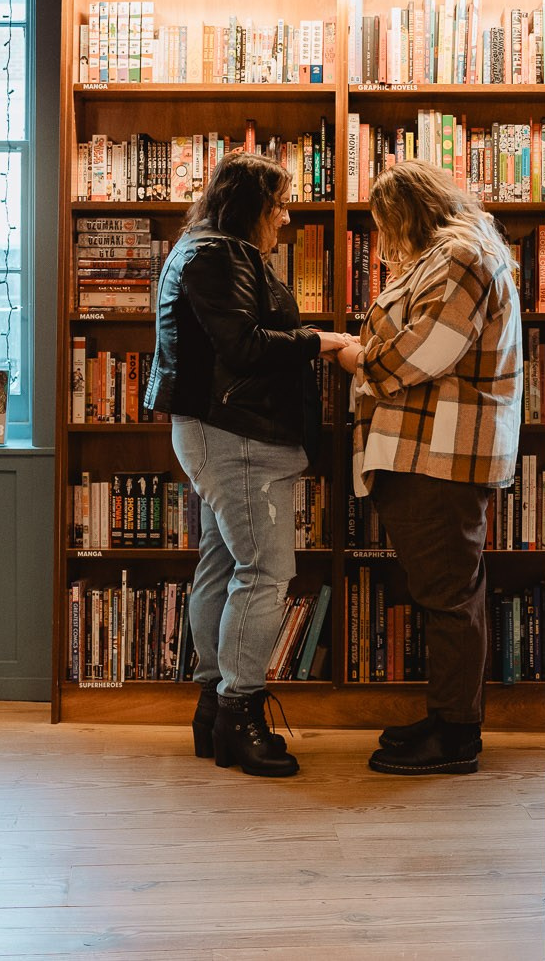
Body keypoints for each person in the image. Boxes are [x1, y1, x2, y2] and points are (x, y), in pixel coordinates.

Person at [147, 152, 348, 777]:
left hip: (224, 429)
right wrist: (324, 342)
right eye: (278, 206)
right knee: (264, 569)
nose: (285, 220)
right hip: (235, 433)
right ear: (251, 207)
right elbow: (244, 346)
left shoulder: (205, 249)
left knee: (221, 561)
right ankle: (239, 712)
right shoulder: (218, 255)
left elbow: (236, 337)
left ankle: (213, 707)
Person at [335, 161, 523, 776]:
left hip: (439, 455)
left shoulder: (460, 257)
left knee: (448, 595)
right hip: (428, 453)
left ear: (406, 213)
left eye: (385, 224)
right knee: (447, 592)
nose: (384, 241)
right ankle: (448, 719)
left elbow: (422, 352)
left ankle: (456, 737)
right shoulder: (451, 257)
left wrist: (356, 357)